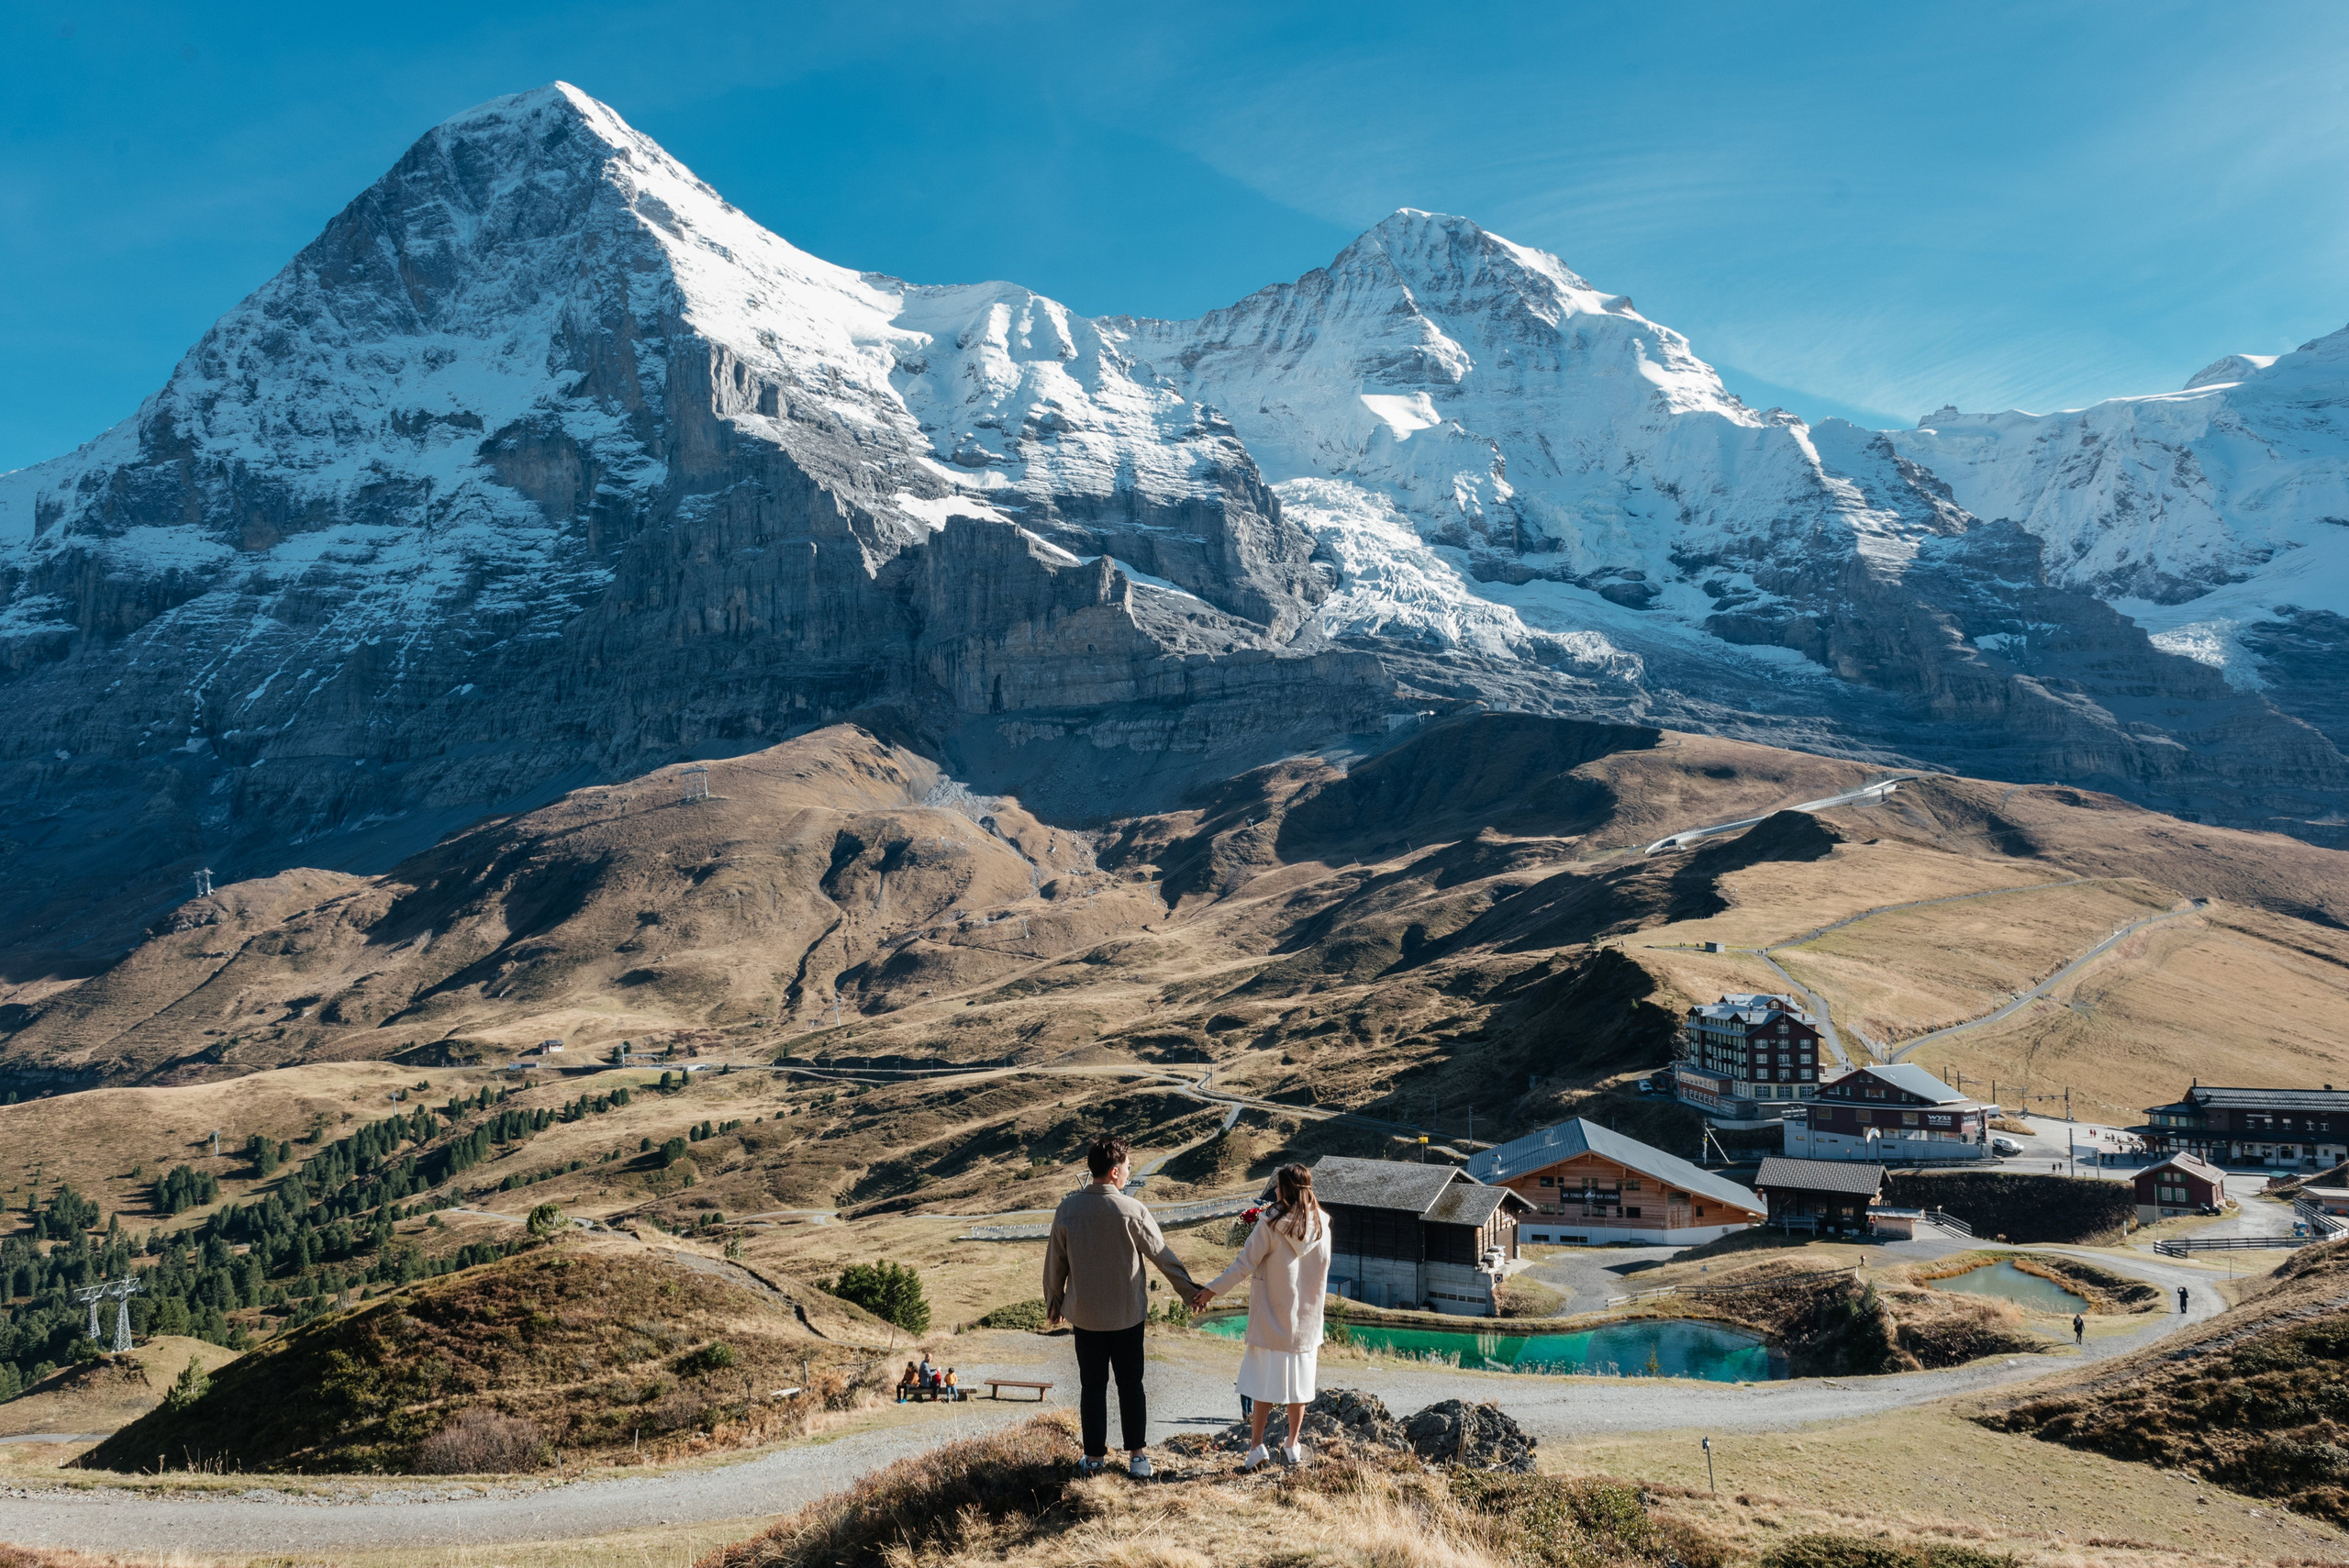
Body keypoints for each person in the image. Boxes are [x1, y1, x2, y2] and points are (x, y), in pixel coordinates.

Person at [1044, 1132, 1206, 1479]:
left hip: (1085, 1317)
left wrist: (1054, 1303)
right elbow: (1163, 1256)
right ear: (1115, 1172)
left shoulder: (1067, 1210)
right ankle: (1137, 1457)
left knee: (1092, 1387)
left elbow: (1055, 1263)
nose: (1129, 1172)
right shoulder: (1133, 1210)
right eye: (1128, 1167)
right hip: (1127, 1316)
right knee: (1131, 1385)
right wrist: (1189, 1291)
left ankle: (1094, 1459)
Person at [1192, 1162, 1332, 1473]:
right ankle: (1292, 1445)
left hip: (1271, 1317)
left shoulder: (1270, 1222)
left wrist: (1211, 1290)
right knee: (1300, 1389)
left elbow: (1243, 1264)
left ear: (1284, 1190)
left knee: (1261, 1387)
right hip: (1306, 1323)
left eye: (1278, 1188)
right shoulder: (1323, 1225)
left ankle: (1257, 1446)